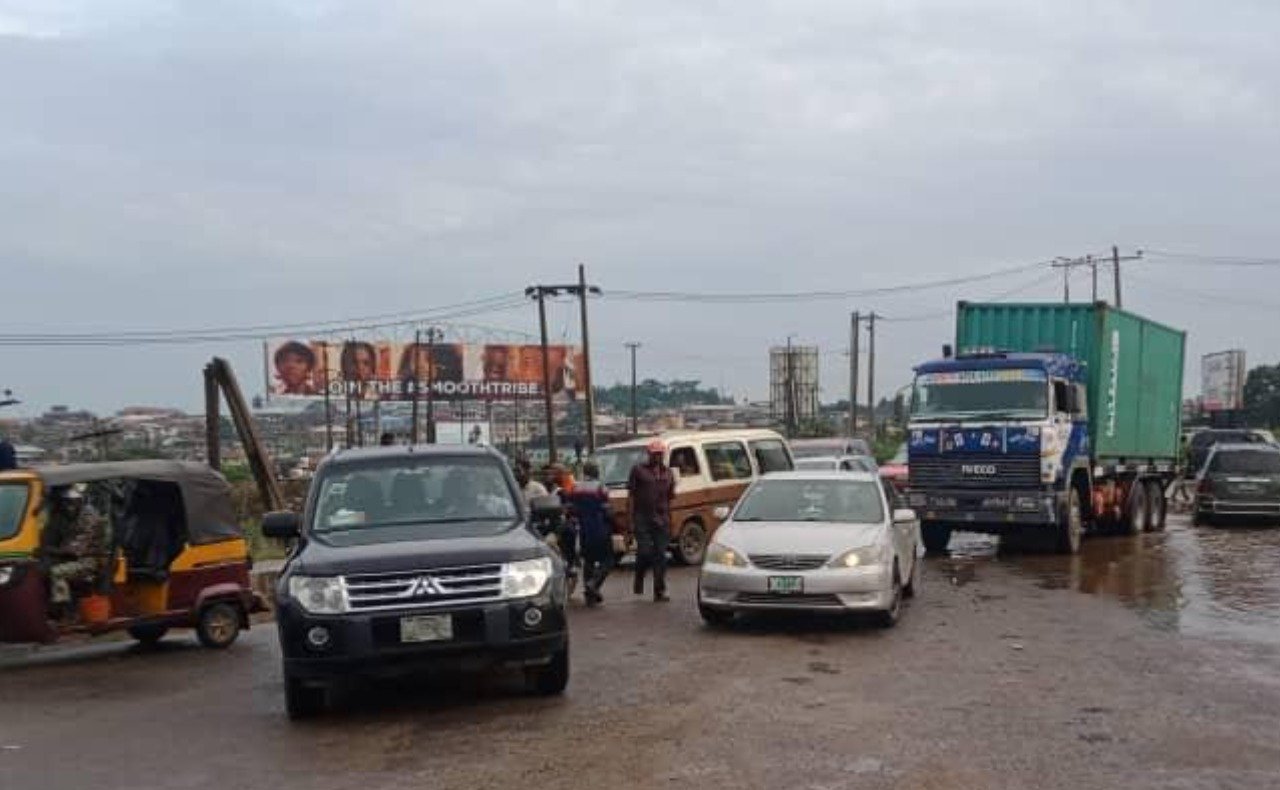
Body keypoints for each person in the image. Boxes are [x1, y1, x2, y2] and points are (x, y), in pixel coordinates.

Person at [45, 486, 109, 611]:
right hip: (77, 557)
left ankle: (63, 609)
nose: (69, 507)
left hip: (89, 561)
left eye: (72, 503)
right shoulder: (68, 516)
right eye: (66, 503)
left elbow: (75, 549)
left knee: (55, 572)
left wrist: (49, 550)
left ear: (80, 501)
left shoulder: (88, 518)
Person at [628, 439, 675, 602]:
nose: (657, 456)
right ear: (649, 454)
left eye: (660, 454)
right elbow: (631, 496)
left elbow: (670, 499)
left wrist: (670, 520)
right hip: (642, 517)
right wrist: (631, 520)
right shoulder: (638, 470)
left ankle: (659, 591)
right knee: (644, 552)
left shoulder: (669, 473)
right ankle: (639, 578)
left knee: (661, 556)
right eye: (654, 454)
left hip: (662, 519)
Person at [564, 461, 611, 607]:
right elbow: (607, 509)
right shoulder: (601, 487)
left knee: (589, 561)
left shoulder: (576, 487)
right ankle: (594, 583)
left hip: (583, 529)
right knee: (608, 560)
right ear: (596, 472)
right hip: (599, 527)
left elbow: (570, 508)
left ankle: (589, 595)